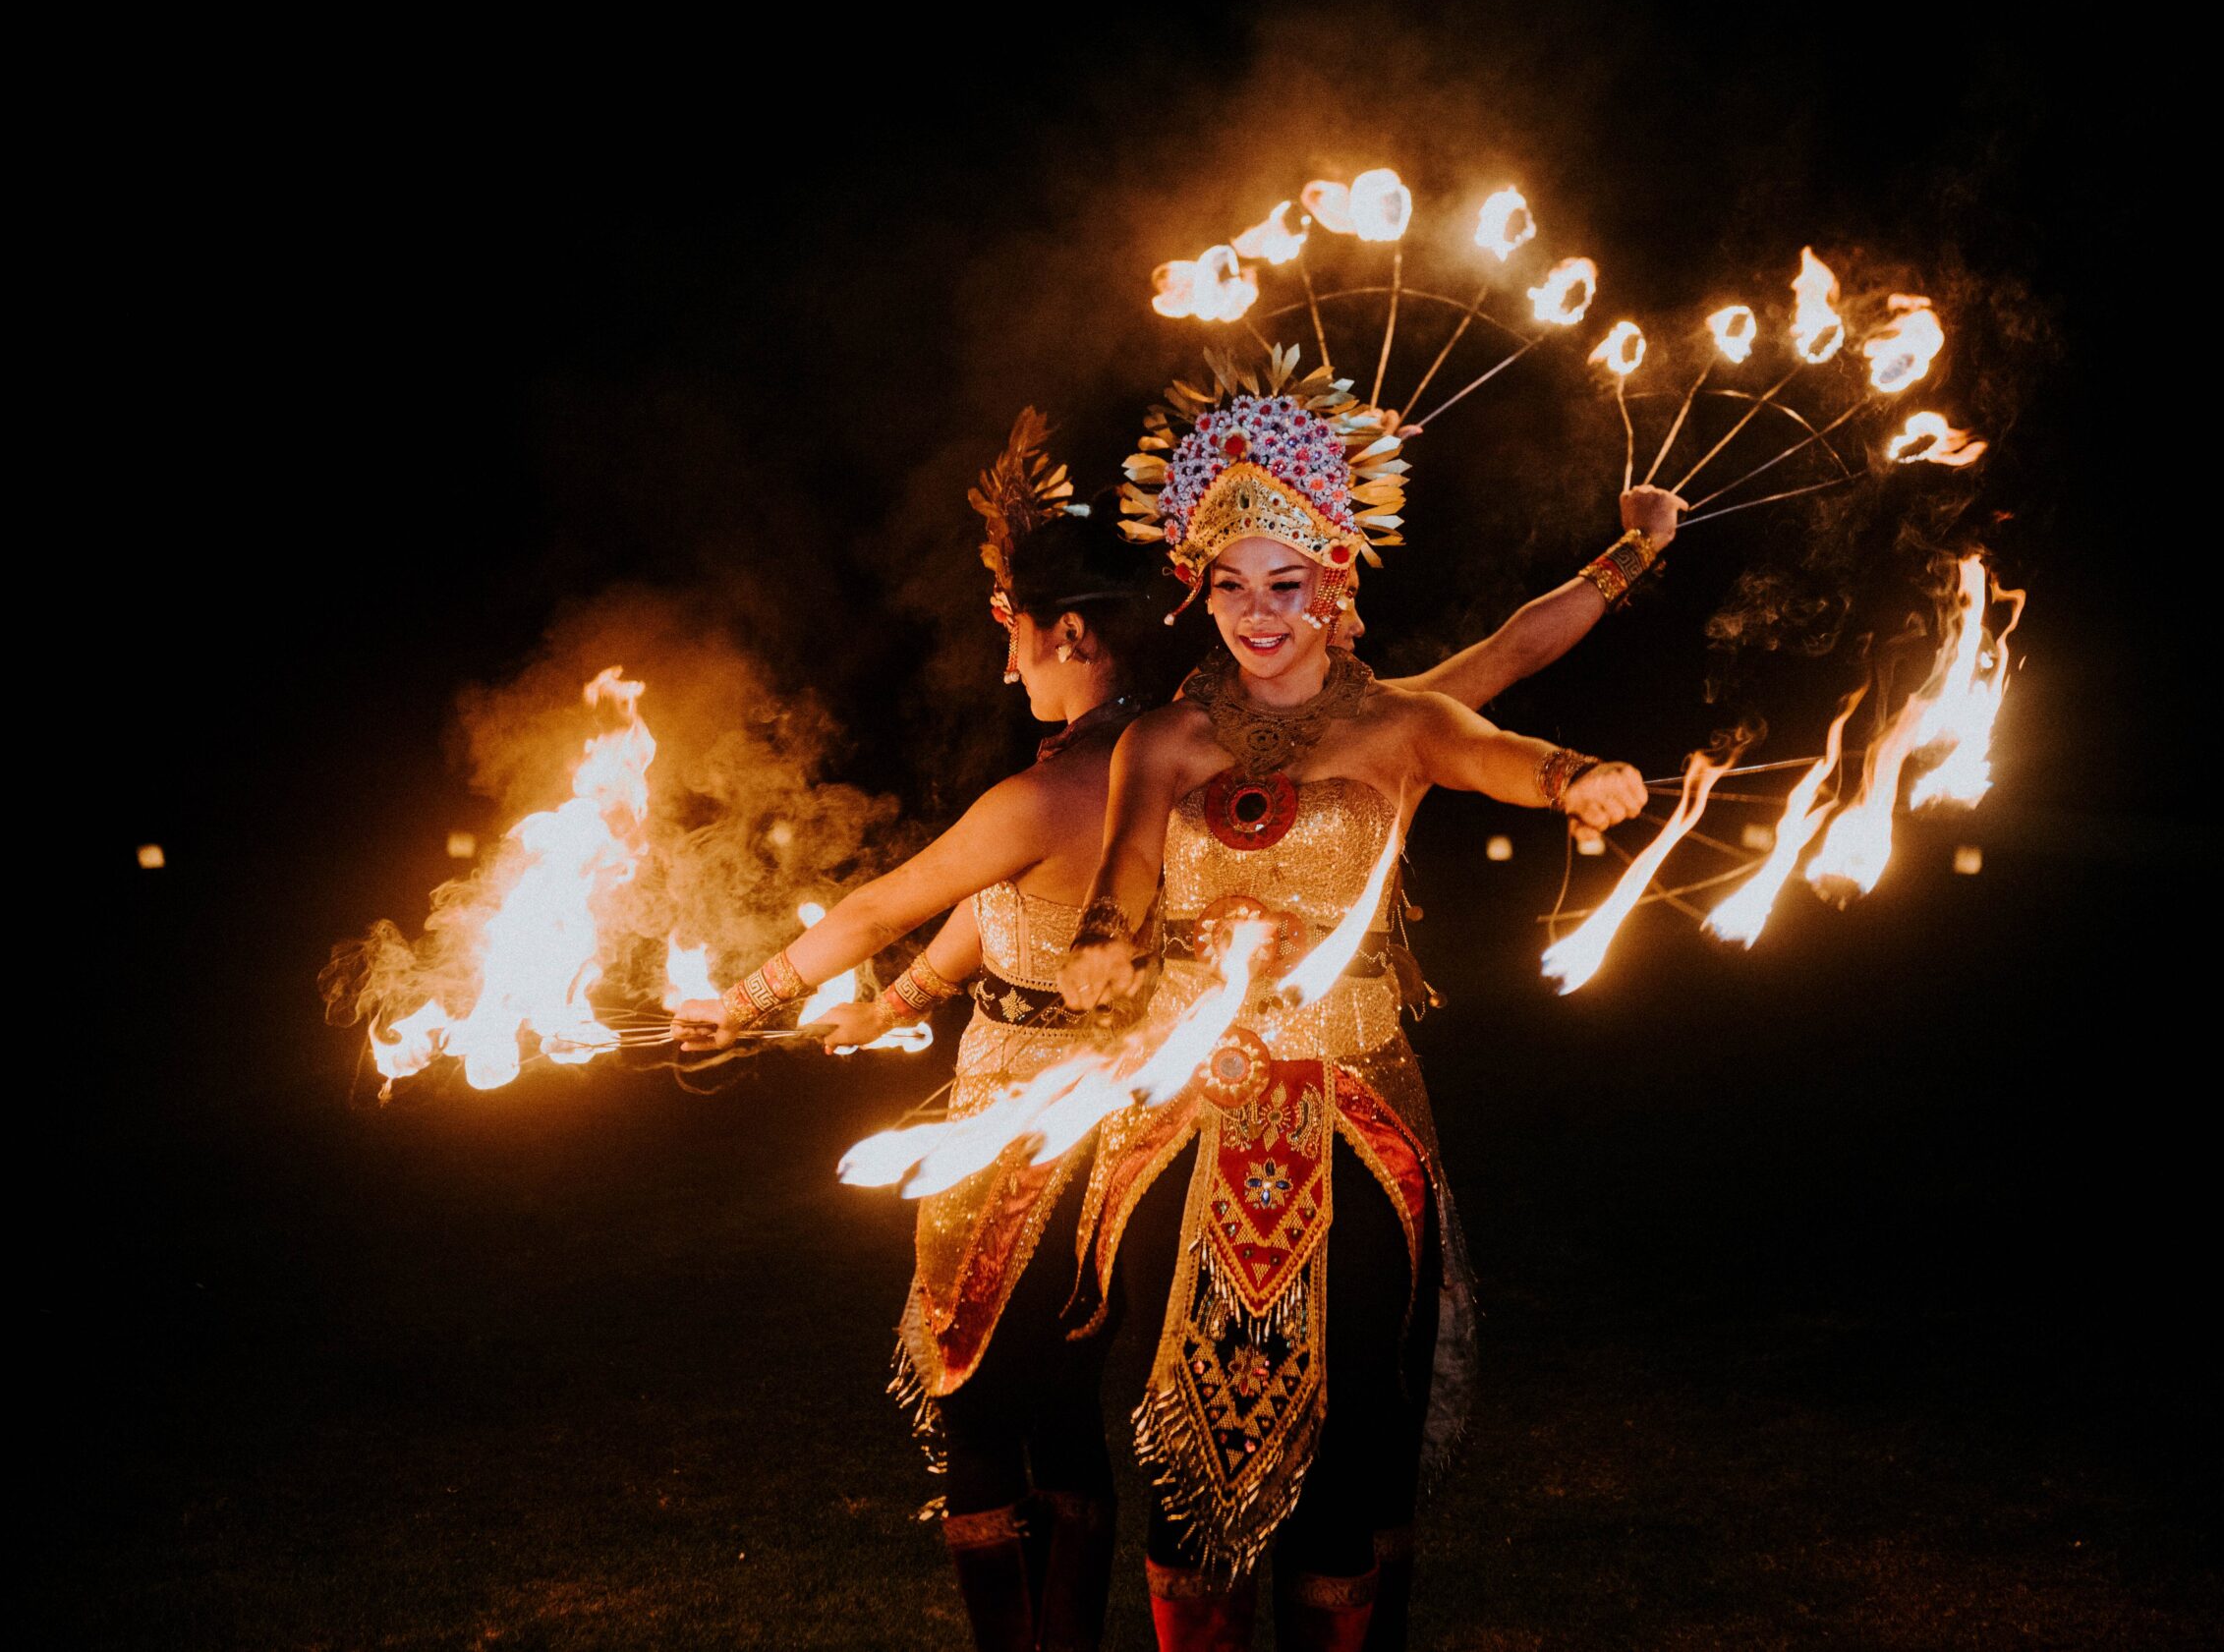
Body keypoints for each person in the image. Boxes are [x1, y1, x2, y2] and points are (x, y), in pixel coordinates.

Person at [1053, 349, 1653, 1649]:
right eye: (1232, 586)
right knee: (1178, 1432)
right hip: (1184, 1129)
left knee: (1345, 1437)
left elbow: (1499, 740)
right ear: (1197, 590)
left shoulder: (1398, 724)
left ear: (1339, 584)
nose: (1259, 613)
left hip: (1355, 1124)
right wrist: (1104, 948)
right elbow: (1121, 884)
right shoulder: (1159, 741)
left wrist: (1575, 775)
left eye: (1288, 583)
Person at [675, 411, 1189, 1651]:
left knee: (982, 1411)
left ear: (1068, 631)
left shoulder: (1056, 784)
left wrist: (739, 1005)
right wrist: (894, 1004)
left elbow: (882, 902)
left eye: (1009, 628)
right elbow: (986, 912)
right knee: (1057, 1406)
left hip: (1032, 1131)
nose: (1003, 660)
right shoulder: (1131, 760)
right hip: (1076, 1113)